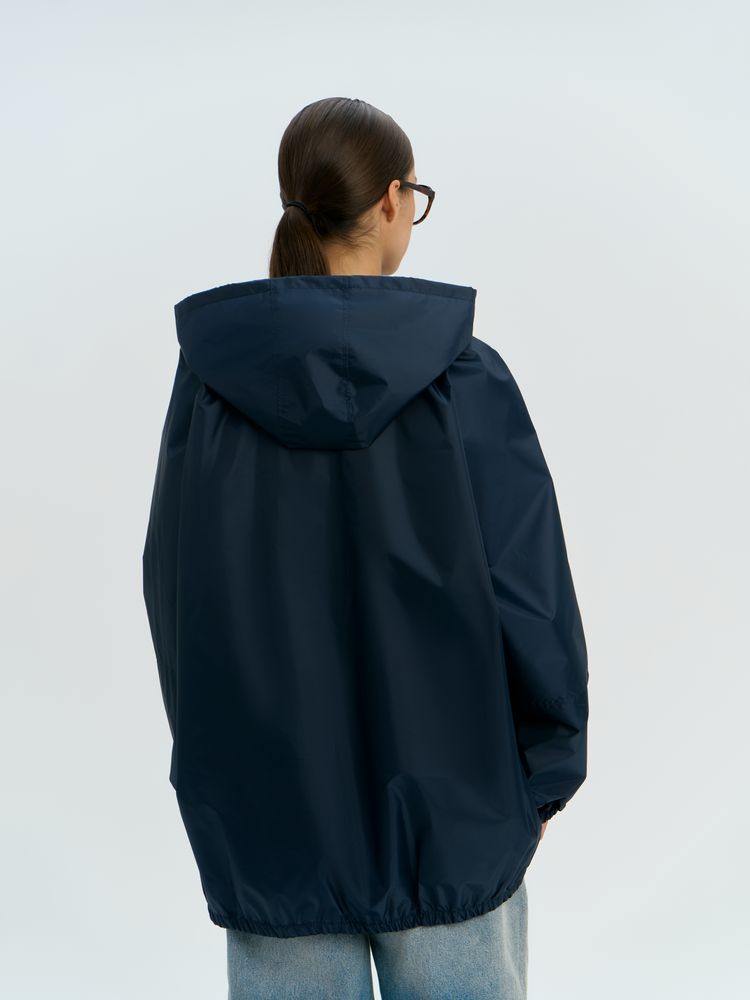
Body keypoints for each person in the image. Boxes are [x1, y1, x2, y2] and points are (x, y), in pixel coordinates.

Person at [142, 96, 589, 1000]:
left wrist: (216, 773)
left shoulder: (212, 383)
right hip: (457, 813)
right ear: (391, 200)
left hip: (272, 821)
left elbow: (174, 589)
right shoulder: (463, 374)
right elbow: (527, 584)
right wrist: (546, 770)